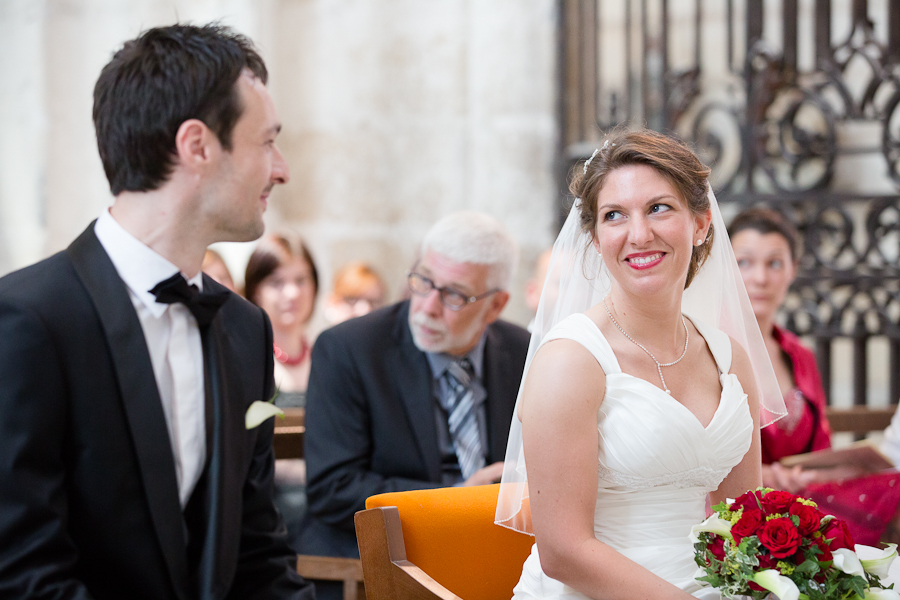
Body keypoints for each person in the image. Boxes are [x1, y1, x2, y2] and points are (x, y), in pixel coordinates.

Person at [0, 24, 313, 599]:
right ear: (197, 146)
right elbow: (21, 572)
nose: (281, 168)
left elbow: (258, 551)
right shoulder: (27, 322)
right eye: (266, 141)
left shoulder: (245, 331)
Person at [496, 128, 787, 600]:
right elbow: (564, 552)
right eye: (615, 216)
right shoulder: (570, 361)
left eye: (659, 208)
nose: (639, 234)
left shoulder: (730, 359)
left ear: (700, 223)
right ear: (594, 238)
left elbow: (742, 524)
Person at [301, 211, 530, 565]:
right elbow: (333, 489)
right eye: (423, 281)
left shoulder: (525, 353)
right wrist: (453, 501)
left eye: (454, 295)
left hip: (498, 556)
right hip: (377, 564)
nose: (426, 307)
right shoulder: (349, 349)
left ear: (495, 305)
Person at [730, 206, 900, 546]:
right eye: (744, 262)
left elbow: (821, 447)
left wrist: (809, 472)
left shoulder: (800, 356)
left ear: (793, 270)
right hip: (736, 506)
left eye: (774, 263)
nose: (760, 277)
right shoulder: (710, 349)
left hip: (800, 504)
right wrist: (764, 476)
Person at [245, 232, 319, 550]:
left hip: (325, 511)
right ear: (255, 290)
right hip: (268, 517)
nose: (292, 293)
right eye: (276, 282)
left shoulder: (328, 357)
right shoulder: (249, 362)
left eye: (301, 280)